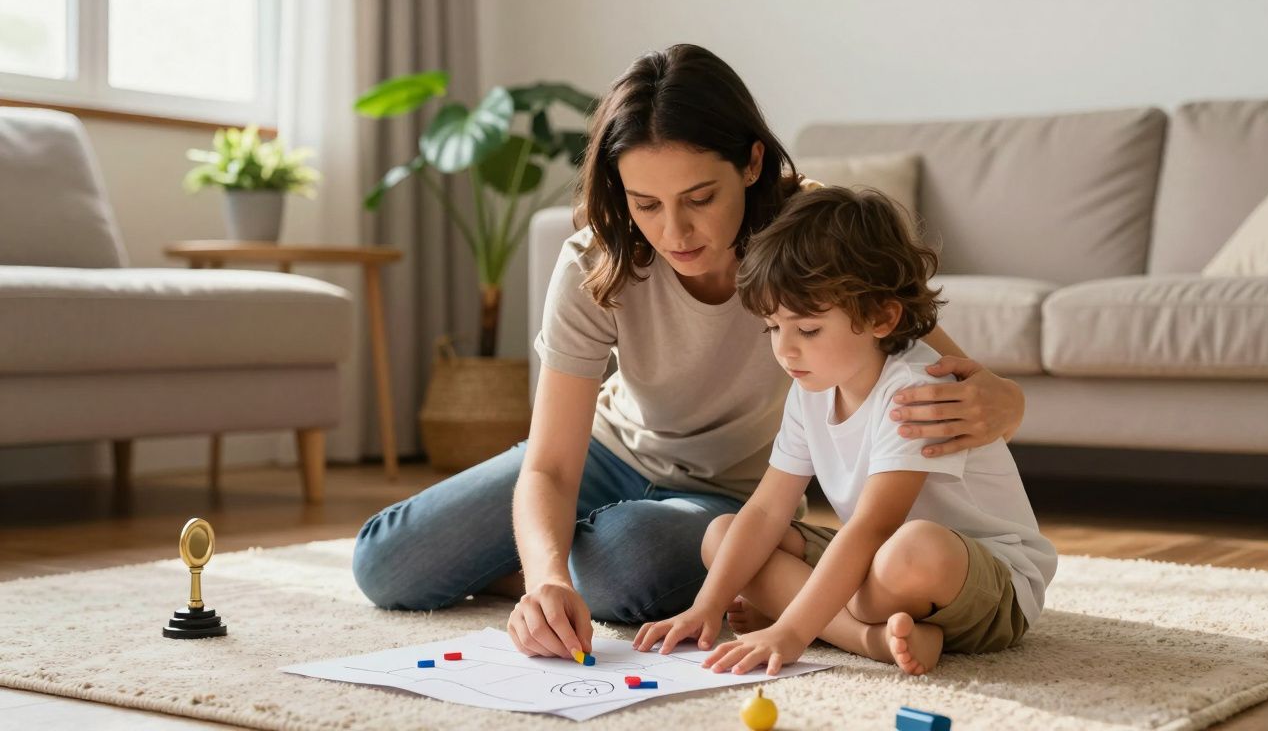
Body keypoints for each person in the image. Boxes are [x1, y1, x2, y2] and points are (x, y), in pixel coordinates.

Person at [351, 44, 1028, 663]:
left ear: (752, 162)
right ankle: (548, 573)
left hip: (727, 496)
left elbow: (910, 337)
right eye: (645, 203)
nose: (675, 232)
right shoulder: (598, 261)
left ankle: (559, 561)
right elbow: (552, 463)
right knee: (388, 566)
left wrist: (1009, 400)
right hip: (609, 455)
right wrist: (548, 577)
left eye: (700, 198)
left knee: (632, 567)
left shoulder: (804, 240)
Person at [632, 186, 1057, 676]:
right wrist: (705, 606)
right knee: (722, 537)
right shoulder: (811, 386)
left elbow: (874, 525)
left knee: (911, 551)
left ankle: (819, 619)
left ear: (881, 317)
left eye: (807, 330)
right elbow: (768, 508)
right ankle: (867, 639)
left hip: (985, 583)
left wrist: (791, 629)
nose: (785, 351)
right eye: (773, 328)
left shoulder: (915, 388)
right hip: (876, 564)